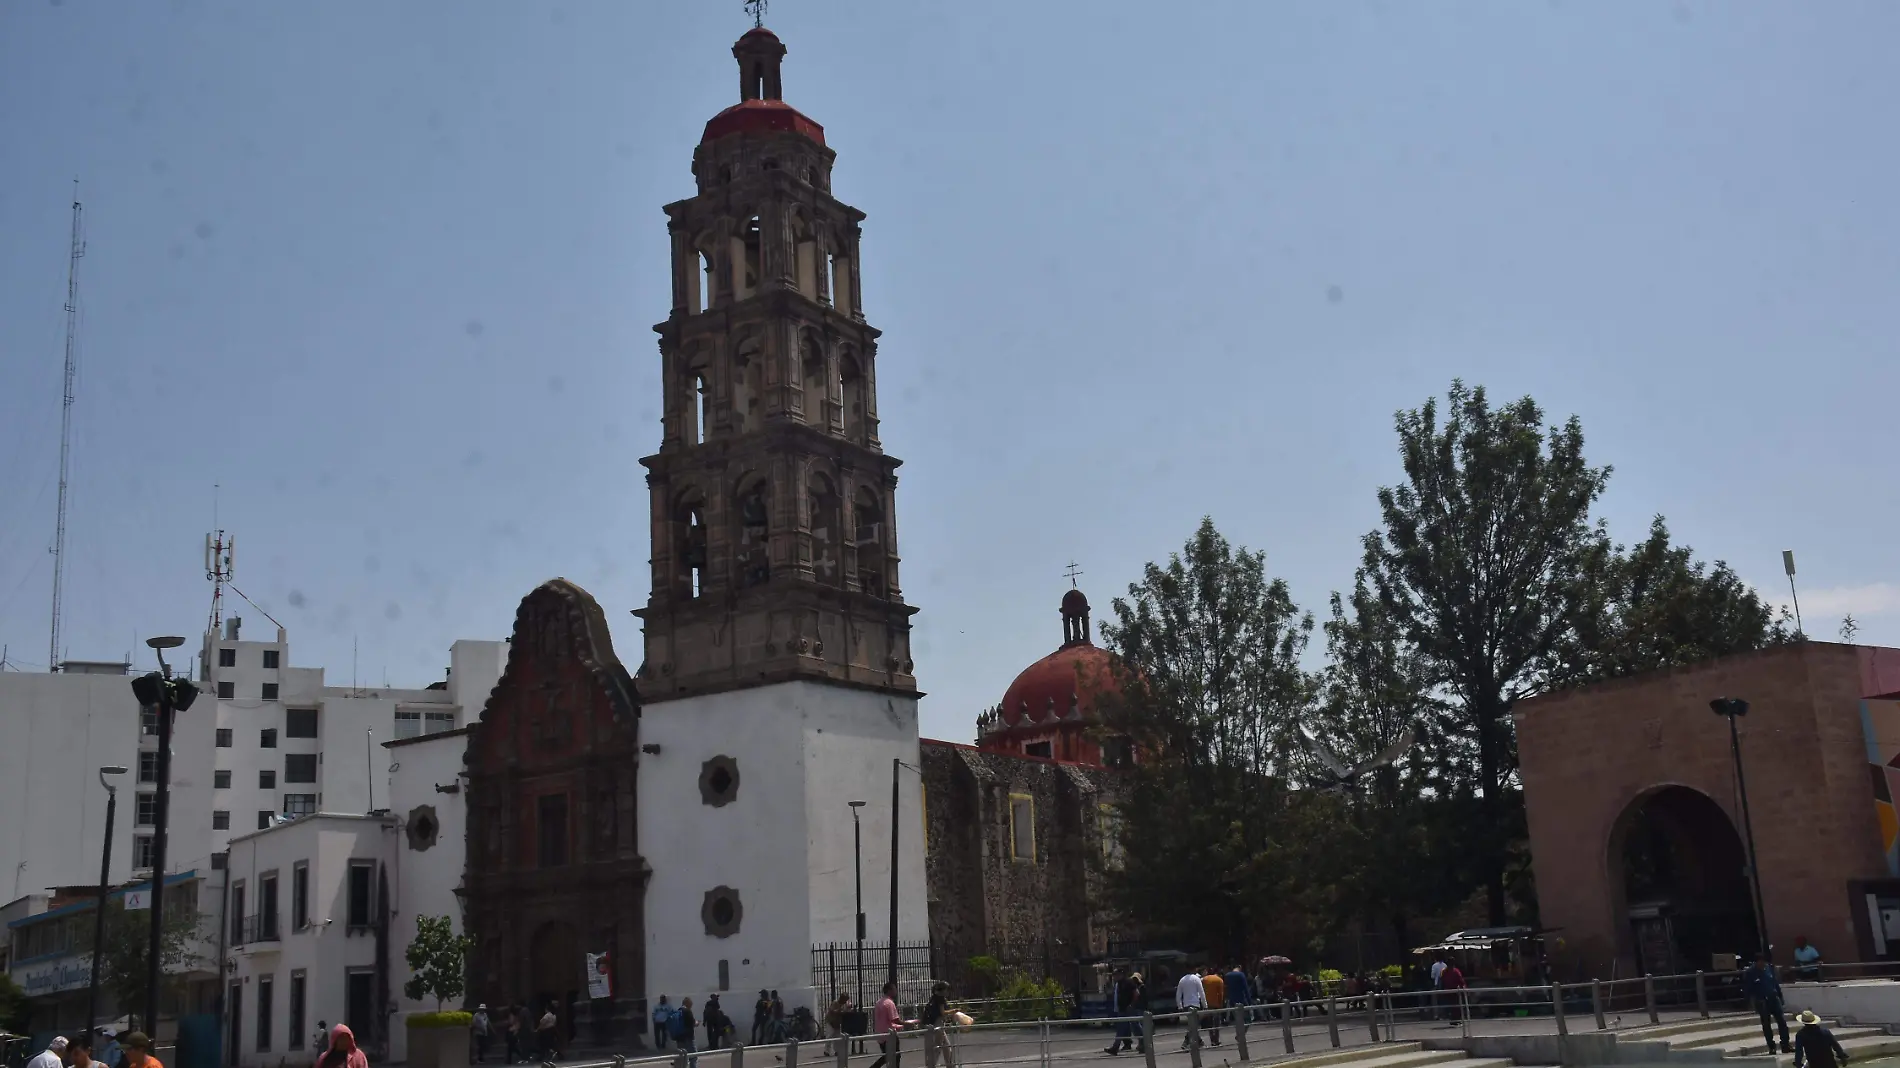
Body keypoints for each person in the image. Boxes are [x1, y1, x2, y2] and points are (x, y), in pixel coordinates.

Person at [1742, 953, 1794, 1054]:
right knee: (1766, 1025)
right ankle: (1772, 1046)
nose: (1762, 964)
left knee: (1782, 1022)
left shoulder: (1769, 968)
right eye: (1760, 962)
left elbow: (1775, 983)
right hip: (1762, 1001)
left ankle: (1785, 1045)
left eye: (1763, 962)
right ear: (1756, 962)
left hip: (1774, 998)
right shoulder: (1750, 972)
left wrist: (1780, 996)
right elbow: (1748, 989)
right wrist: (1750, 1001)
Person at [865, 982, 903, 1068]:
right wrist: (907, 1023)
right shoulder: (889, 1003)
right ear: (889, 990)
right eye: (894, 989)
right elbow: (895, 1020)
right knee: (895, 1056)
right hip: (890, 1034)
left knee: (888, 1056)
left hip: (881, 1034)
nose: (896, 991)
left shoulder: (879, 1002)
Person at [919, 980, 955, 1068]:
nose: (948, 992)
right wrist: (954, 1011)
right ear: (943, 990)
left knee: (946, 1046)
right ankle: (932, 1065)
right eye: (947, 990)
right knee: (938, 1047)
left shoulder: (934, 997)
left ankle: (949, 1065)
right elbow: (942, 1012)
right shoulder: (940, 998)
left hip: (934, 1024)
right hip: (938, 1024)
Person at [1175, 967, 1207, 1050]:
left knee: (1192, 1024)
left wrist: (1180, 1006)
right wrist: (1205, 1005)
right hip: (1195, 1004)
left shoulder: (1182, 980)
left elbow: (1178, 994)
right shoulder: (1196, 979)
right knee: (1194, 1025)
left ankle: (1199, 1042)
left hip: (1186, 1005)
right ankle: (1186, 1042)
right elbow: (1201, 992)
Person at [1200, 967, 1225, 1047]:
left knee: (1209, 1022)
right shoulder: (1219, 980)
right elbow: (1220, 994)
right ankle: (1216, 1040)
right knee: (1216, 1023)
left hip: (1207, 1004)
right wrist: (1221, 1004)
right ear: (1220, 975)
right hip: (1216, 1004)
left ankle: (1212, 1040)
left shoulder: (1204, 979)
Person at [672, 997, 699, 1065]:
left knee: (682, 1057)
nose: (691, 1006)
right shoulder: (687, 1011)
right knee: (693, 1057)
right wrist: (697, 1022)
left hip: (679, 1038)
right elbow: (692, 1023)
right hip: (688, 1038)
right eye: (691, 1004)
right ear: (687, 1003)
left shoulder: (678, 1011)